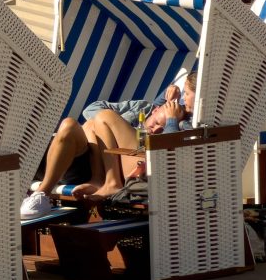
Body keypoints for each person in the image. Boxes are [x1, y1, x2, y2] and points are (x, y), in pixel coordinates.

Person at [21, 74, 195, 218]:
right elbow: (90, 110)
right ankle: (42, 194)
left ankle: (107, 182)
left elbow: (168, 154)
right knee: (73, 124)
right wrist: (167, 94)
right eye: (185, 93)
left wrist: (171, 120)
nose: (155, 129)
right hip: (93, 157)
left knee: (104, 116)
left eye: (187, 94)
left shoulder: (185, 122)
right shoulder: (147, 108)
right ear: (155, 110)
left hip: (133, 164)